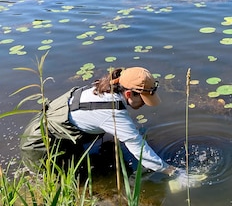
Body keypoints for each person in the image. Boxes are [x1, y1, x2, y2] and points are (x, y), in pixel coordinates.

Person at [20, 66, 177, 176]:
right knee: (69, 179)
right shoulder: (113, 113)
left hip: (44, 125)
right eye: (143, 99)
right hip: (40, 146)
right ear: (129, 94)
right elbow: (141, 152)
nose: (144, 104)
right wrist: (171, 171)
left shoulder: (105, 89)